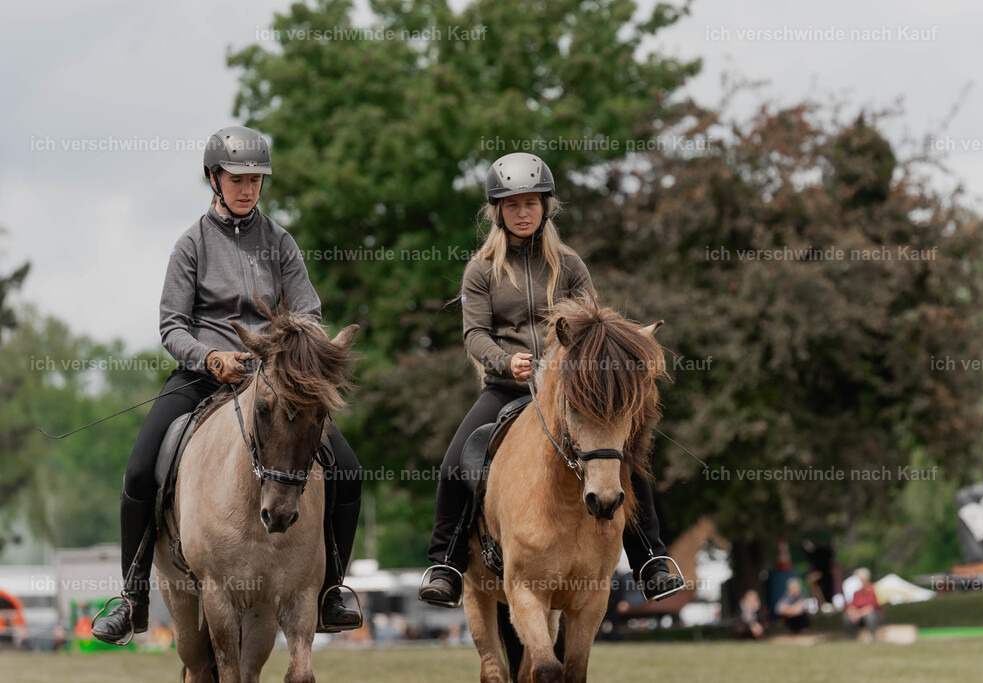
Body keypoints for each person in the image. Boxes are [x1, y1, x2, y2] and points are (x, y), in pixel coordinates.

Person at [91, 126, 363, 645]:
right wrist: (209, 356)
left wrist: (283, 351)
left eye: (256, 180)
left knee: (347, 470)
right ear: (214, 179)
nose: (247, 189)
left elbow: (307, 310)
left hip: (272, 382)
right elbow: (172, 326)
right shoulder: (190, 245)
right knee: (141, 468)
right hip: (203, 377)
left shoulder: (280, 242)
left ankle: (332, 589)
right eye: (237, 179)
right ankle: (132, 597)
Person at [418, 152, 685, 607]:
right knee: (455, 461)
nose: (523, 213)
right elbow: (475, 334)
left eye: (531, 203)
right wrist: (506, 363)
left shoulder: (571, 266)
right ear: (497, 212)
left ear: (546, 208)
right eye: (512, 205)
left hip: (567, 393)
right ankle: (444, 562)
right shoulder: (481, 271)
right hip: (506, 387)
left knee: (626, 456)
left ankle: (650, 561)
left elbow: (593, 331)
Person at [843, 567, 883, 641]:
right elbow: (852, 606)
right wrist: (853, 613)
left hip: (873, 616)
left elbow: (870, 608)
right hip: (860, 616)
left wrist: (858, 614)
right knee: (847, 617)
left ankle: (872, 636)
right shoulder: (857, 592)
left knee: (870, 616)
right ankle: (853, 638)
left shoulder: (873, 590)